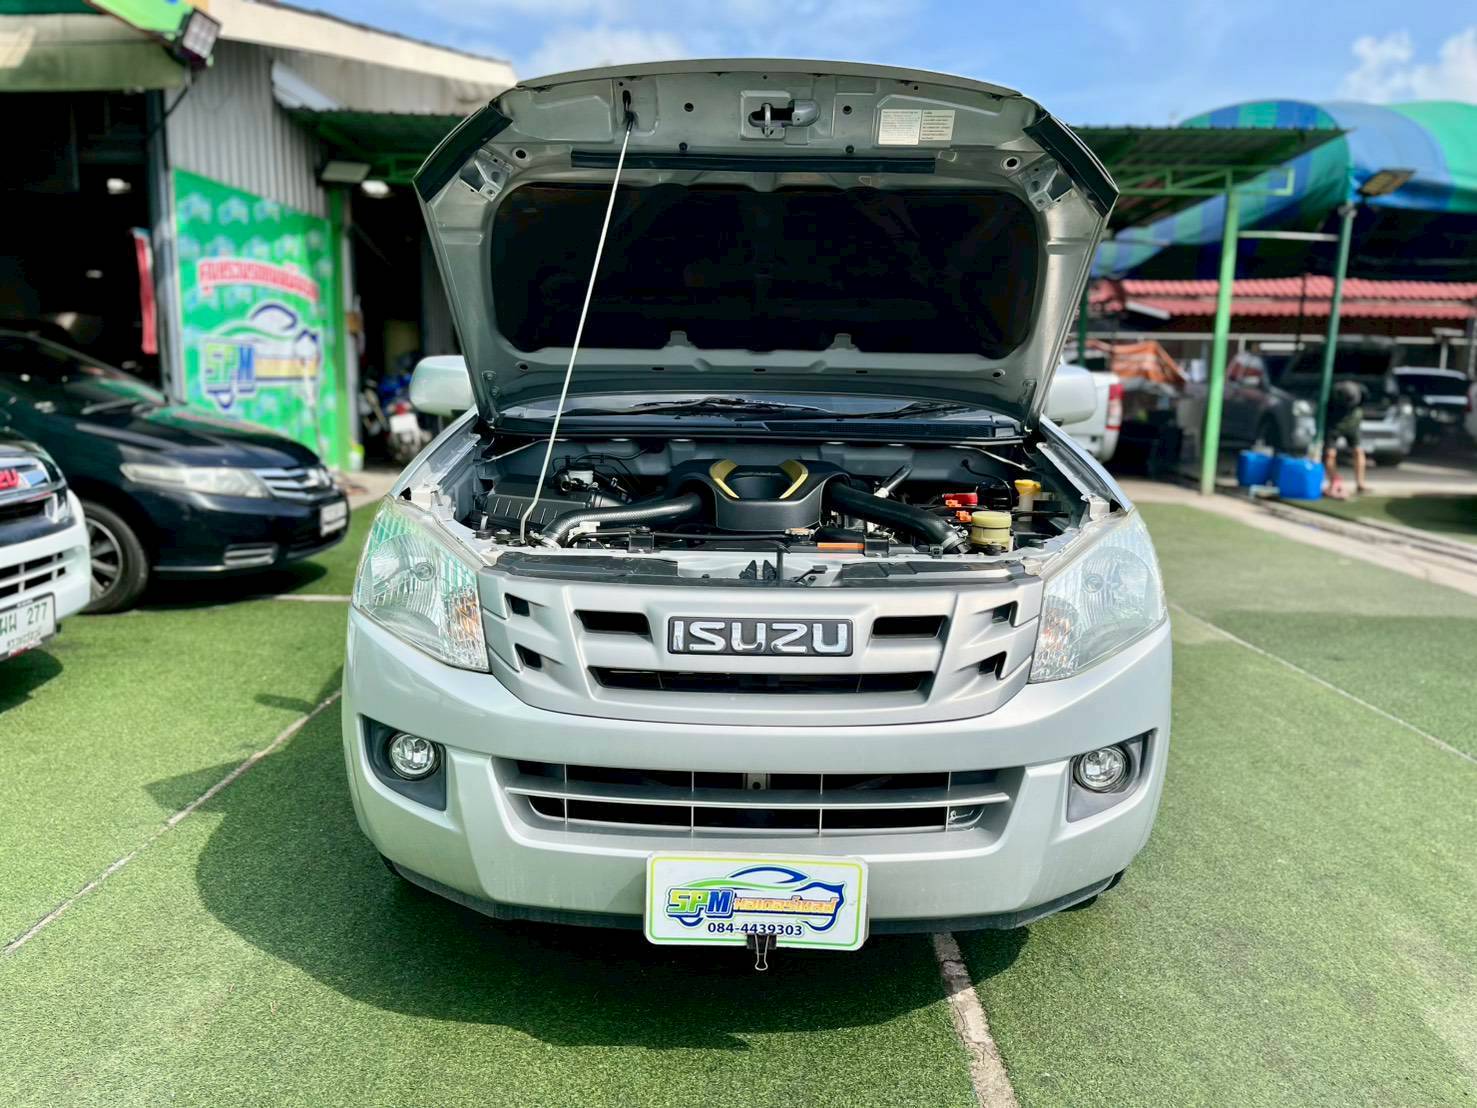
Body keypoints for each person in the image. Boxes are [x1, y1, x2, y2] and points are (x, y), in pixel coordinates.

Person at [1323, 378, 1368, 498]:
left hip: (1353, 423)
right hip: (1334, 423)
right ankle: (1334, 481)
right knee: (1330, 454)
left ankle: (1360, 483)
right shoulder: (1331, 393)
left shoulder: (1361, 391)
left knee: (1358, 451)